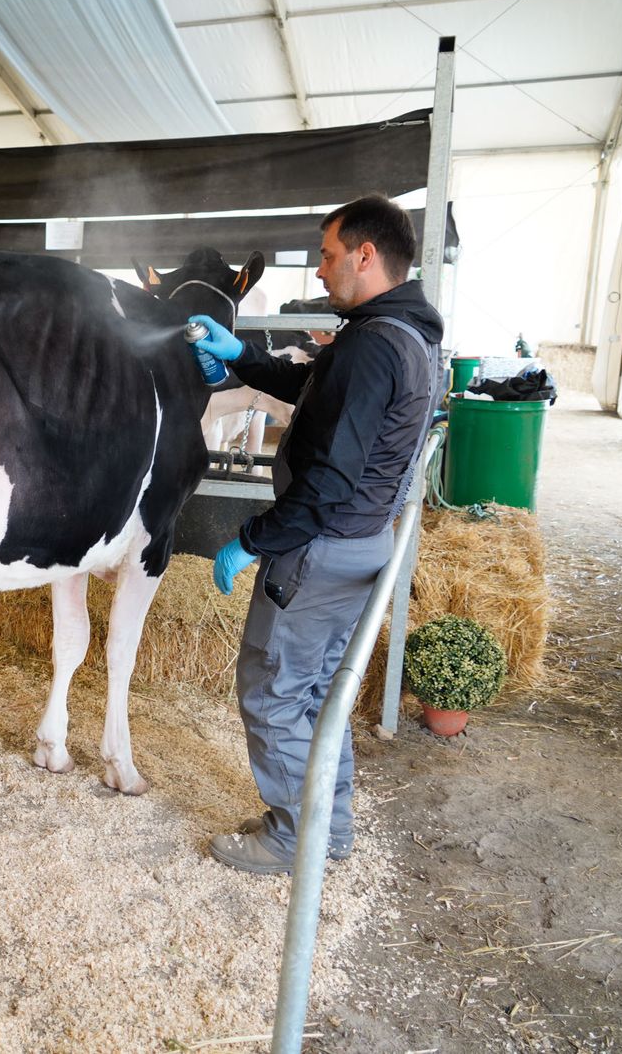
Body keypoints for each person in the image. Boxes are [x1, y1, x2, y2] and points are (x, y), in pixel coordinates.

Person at [185, 195, 444, 876]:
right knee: (319, 697)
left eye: (328, 255)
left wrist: (254, 538)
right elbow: (309, 384)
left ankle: (290, 837)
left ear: (365, 254)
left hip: (321, 551)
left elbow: (326, 484)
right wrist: (242, 354)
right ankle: (326, 827)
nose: (321, 270)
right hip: (360, 545)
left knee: (271, 691)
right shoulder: (402, 331)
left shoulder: (372, 346)